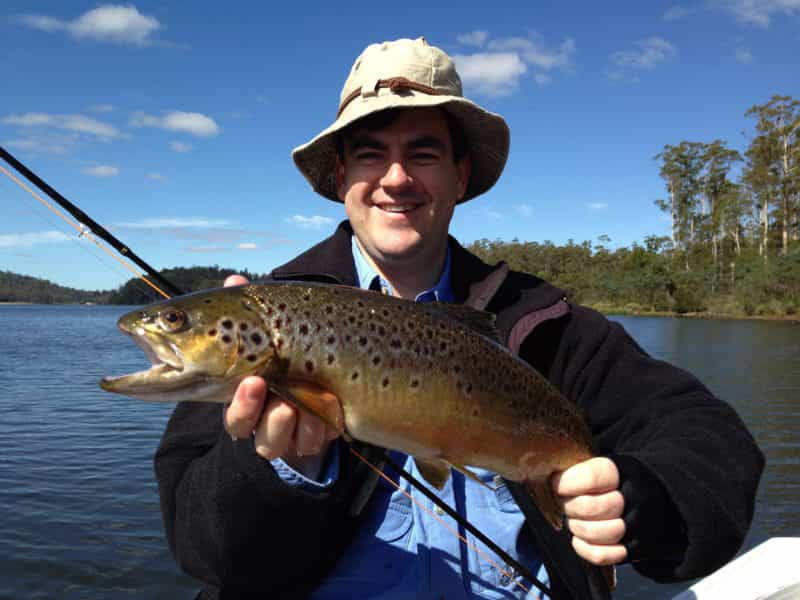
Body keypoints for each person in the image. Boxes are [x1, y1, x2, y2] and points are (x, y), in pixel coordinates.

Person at [154, 38, 763, 600]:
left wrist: (643, 499)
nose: (395, 178)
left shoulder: (548, 325)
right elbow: (201, 548)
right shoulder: (269, 316)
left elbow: (709, 437)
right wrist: (269, 471)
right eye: (370, 155)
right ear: (342, 177)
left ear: (460, 175)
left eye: (423, 153)